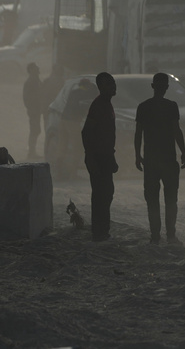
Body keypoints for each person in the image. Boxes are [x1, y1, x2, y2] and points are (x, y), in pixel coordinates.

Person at [134, 73, 185, 245]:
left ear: (152, 86)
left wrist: (137, 155)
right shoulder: (172, 106)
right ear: (166, 87)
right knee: (171, 198)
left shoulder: (143, 107)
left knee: (152, 199)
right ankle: (170, 234)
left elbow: (138, 133)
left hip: (151, 160)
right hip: (168, 159)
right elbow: (176, 131)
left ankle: (155, 235)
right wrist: (184, 152)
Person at [81, 72, 119, 242]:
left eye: (112, 83)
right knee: (101, 194)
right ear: (100, 87)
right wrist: (90, 157)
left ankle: (102, 230)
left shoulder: (107, 104)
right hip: (98, 157)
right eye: (107, 84)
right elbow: (86, 131)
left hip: (105, 156)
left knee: (106, 193)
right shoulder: (98, 105)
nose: (112, 86)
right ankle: (99, 232)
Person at [23, 63, 42, 159]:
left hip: (36, 109)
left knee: (36, 130)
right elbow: (26, 98)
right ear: (31, 69)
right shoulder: (31, 81)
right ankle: (31, 151)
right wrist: (31, 108)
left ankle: (32, 151)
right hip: (34, 110)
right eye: (35, 67)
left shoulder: (35, 80)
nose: (38, 69)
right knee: (35, 130)